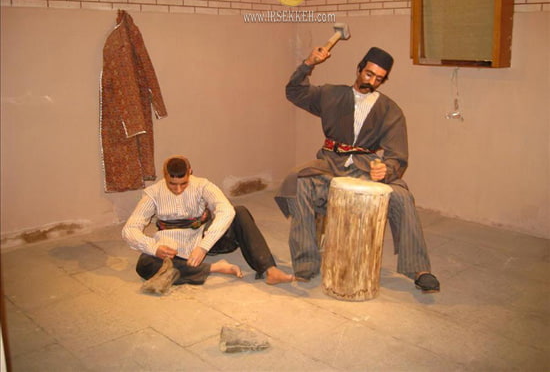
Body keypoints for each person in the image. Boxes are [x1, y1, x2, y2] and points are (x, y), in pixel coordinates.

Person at [274, 46, 440, 293]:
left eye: (378, 78)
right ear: (359, 69)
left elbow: (397, 156)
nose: (371, 82)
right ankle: (306, 263)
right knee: (298, 183)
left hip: (366, 168)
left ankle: (419, 269)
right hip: (329, 165)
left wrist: (386, 170)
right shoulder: (331, 94)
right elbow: (294, 92)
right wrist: (309, 63)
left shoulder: (390, 110)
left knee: (402, 196)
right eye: (368, 74)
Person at [123, 155, 294, 287]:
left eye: (183, 183)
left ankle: (269, 269)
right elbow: (129, 229)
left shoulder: (202, 185)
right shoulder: (153, 193)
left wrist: (204, 246)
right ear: (165, 175)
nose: (178, 189)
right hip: (172, 246)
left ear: (190, 172)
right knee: (145, 264)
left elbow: (225, 210)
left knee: (239, 212)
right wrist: (154, 248)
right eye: (172, 184)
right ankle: (213, 268)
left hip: (206, 237)